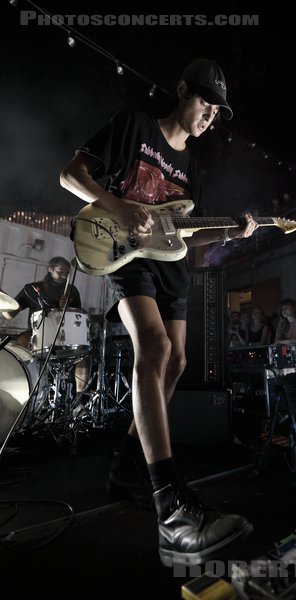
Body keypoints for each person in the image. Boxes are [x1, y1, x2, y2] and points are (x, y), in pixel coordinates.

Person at [60, 58, 256, 567]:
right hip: (128, 255)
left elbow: (189, 238)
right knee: (156, 349)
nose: (208, 116)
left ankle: (127, 466)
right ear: (181, 90)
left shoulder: (194, 169)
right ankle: (173, 511)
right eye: (203, 103)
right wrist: (119, 206)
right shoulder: (135, 127)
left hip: (172, 270)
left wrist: (232, 234)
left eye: (216, 111)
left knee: (177, 364)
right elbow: (70, 175)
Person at [0, 256, 90, 403]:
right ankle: (28, 392)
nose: (64, 275)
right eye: (60, 271)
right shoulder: (32, 289)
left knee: (84, 353)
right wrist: (2, 299)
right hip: (37, 335)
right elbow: (10, 314)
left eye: (67, 273)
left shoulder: (72, 290)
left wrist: (68, 307)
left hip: (64, 336)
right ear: (50, 269)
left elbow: (77, 317)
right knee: (21, 344)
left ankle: (79, 401)